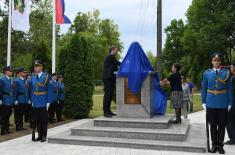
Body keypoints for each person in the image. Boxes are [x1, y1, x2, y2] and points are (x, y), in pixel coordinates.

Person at [201, 53, 232, 154]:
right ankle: (214, 145)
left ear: (220, 61)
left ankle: (220, 145)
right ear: (212, 61)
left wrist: (230, 102)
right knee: (213, 125)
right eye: (214, 60)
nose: (216, 62)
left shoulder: (226, 73)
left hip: (223, 102)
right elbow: (203, 88)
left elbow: (229, 89)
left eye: (218, 60)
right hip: (210, 103)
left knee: (222, 125)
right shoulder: (207, 73)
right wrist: (203, 102)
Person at [30, 60, 53, 142]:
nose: (35, 68)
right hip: (35, 102)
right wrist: (32, 100)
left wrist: (48, 101)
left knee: (44, 119)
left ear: (41, 67)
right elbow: (32, 90)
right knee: (37, 120)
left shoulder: (46, 76)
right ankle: (39, 135)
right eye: (35, 66)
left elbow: (50, 89)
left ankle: (44, 135)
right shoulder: (33, 77)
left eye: (37, 66)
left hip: (43, 100)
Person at [102, 46, 121, 117]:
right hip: (107, 78)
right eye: (116, 50)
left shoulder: (111, 57)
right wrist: (127, 63)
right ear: (112, 50)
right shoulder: (110, 56)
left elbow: (116, 66)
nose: (117, 52)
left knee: (110, 95)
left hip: (111, 78)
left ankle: (108, 111)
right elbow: (118, 63)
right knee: (107, 95)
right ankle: (105, 112)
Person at [0, 66, 14, 135]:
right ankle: (3, 130)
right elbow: (0, 90)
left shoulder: (10, 79)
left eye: (11, 71)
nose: (11, 72)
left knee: (8, 114)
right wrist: (0, 99)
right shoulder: (2, 79)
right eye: (9, 71)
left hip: (10, 99)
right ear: (5, 71)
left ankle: (7, 129)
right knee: (4, 116)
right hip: (5, 99)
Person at [225, 63, 235, 145]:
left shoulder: (232, 78)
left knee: (228, 120)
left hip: (232, 102)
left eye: (231, 67)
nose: (230, 69)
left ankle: (232, 139)